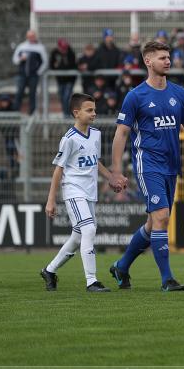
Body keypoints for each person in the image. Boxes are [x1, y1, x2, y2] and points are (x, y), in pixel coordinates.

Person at [108, 41, 184, 291]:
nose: (168, 61)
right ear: (148, 62)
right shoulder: (135, 96)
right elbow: (121, 134)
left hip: (172, 166)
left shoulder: (179, 93)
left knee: (153, 223)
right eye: (162, 58)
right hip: (147, 163)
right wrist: (116, 171)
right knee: (162, 217)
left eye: (169, 57)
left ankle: (122, 266)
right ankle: (167, 279)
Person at [39, 93, 111, 293]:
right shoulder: (68, 139)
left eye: (94, 110)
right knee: (88, 230)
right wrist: (51, 200)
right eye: (89, 110)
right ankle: (92, 281)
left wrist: (111, 178)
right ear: (76, 113)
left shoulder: (95, 134)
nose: (94, 113)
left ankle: (49, 270)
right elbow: (58, 170)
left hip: (90, 192)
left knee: (78, 236)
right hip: (73, 191)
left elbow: (95, 162)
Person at [12, 29, 48, 114]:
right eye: (29, 36)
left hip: (33, 75)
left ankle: (32, 112)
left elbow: (45, 61)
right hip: (22, 74)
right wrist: (21, 59)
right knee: (19, 92)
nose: (31, 38)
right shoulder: (22, 46)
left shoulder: (40, 47)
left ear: (35, 37)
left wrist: (38, 72)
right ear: (27, 37)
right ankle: (15, 111)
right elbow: (15, 60)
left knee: (32, 93)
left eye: (33, 36)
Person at [50, 39, 77, 118]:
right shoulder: (55, 53)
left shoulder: (70, 53)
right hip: (60, 80)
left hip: (69, 80)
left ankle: (67, 116)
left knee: (66, 98)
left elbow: (72, 66)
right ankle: (66, 114)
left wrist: (60, 66)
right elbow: (52, 65)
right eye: (62, 48)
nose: (64, 50)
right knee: (62, 98)